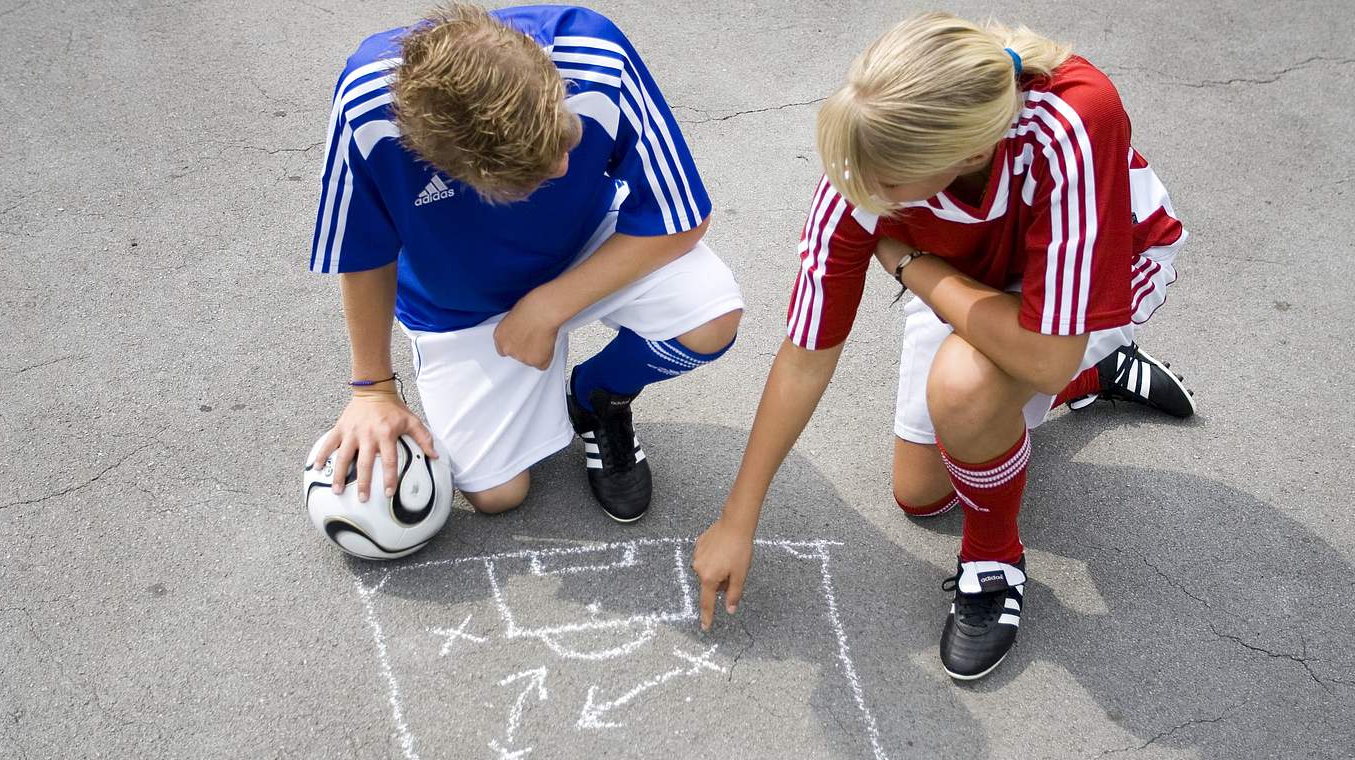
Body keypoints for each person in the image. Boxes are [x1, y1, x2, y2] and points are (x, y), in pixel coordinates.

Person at [692, 12, 1194, 680]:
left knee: (966, 390)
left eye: (884, 184)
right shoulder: (871, 159)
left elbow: (1045, 353)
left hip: (1095, 274)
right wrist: (737, 517)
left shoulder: (1075, 120)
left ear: (968, 155)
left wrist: (913, 268)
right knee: (922, 496)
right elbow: (806, 356)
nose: (858, 193)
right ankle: (1089, 379)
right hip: (977, 277)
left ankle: (993, 560)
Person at [308, 3, 743, 523]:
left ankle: (598, 397)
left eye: (565, 137)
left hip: (586, 242)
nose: (565, 163)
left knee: (711, 316)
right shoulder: (366, 107)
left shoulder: (594, 54)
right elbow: (362, 250)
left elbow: (681, 216)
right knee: (497, 494)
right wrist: (372, 390)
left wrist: (548, 307)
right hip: (459, 299)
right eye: (538, 171)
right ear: (452, 169)